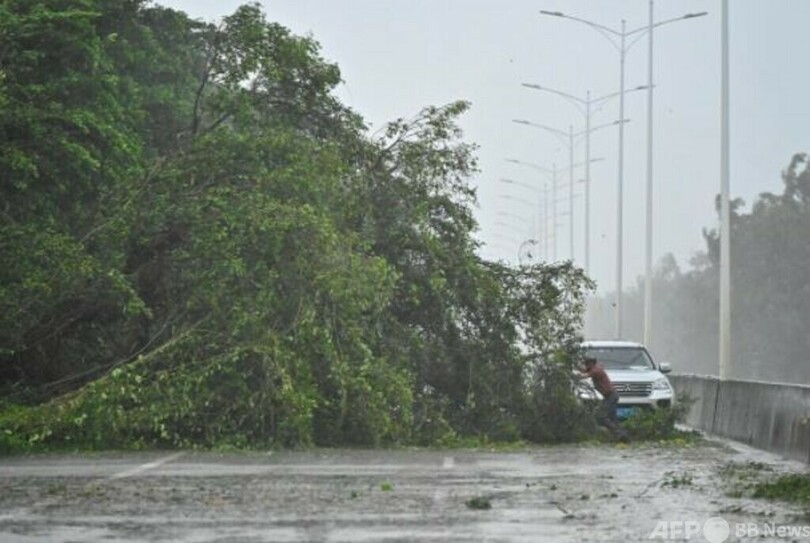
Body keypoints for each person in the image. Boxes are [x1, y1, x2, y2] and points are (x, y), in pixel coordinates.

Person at [580, 357, 629, 442]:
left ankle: (619, 434)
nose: (586, 365)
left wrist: (569, 374)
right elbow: (584, 370)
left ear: (591, 363)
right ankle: (622, 436)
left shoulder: (596, 371)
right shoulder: (594, 368)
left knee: (601, 416)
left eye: (587, 364)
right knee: (612, 418)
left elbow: (583, 376)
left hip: (611, 396)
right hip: (609, 396)